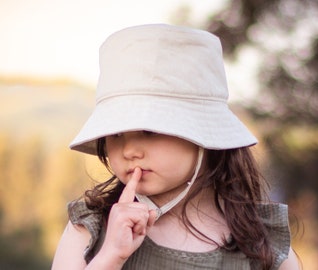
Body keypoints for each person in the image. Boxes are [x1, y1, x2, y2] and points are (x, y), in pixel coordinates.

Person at [52, 24, 299, 269]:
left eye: (150, 131)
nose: (129, 151)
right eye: (115, 134)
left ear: (204, 134)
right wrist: (110, 257)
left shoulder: (263, 245)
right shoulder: (89, 229)